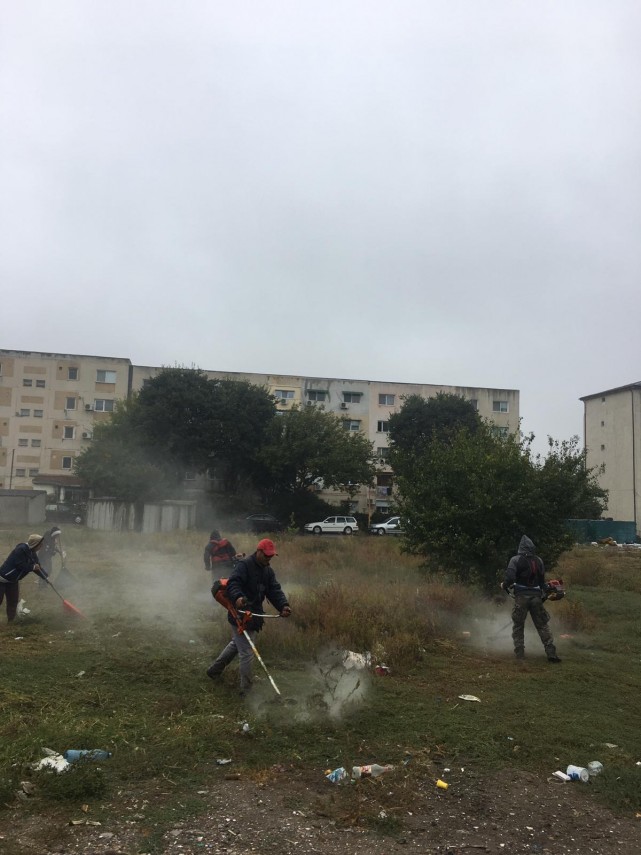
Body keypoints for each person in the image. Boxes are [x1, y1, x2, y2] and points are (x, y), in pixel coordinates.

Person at [207, 538, 291, 695]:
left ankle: (214, 670)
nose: (268, 559)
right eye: (266, 556)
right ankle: (246, 690)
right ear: (258, 552)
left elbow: (274, 590)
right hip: (239, 613)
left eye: (271, 556)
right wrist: (238, 598)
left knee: (236, 645)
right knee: (247, 652)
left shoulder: (267, 571)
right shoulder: (244, 566)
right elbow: (233, 584)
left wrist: (283, 606)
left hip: (254, 615)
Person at [501, 535, 561, 663]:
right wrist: (546, 592)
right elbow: (542, 582)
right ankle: (551, 653)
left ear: (520, 548)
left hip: (521, 597)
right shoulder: (539, 560)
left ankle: (520, 654)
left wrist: (504, 585)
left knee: (518, 625)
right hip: (536, 597)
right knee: (542, 625)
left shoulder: (515, 560)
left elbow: (510, 578)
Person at [0, 534, 49, 622]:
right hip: (2, 579)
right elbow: (19, 565)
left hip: (13, 581)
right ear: (35, 544)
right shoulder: (20, 550)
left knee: (13, 601)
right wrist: (33, 567)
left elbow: (37, 567)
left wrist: (46, 577)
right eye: (40, 545)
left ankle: (11, 622)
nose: (41, 547)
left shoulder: (32, 552)